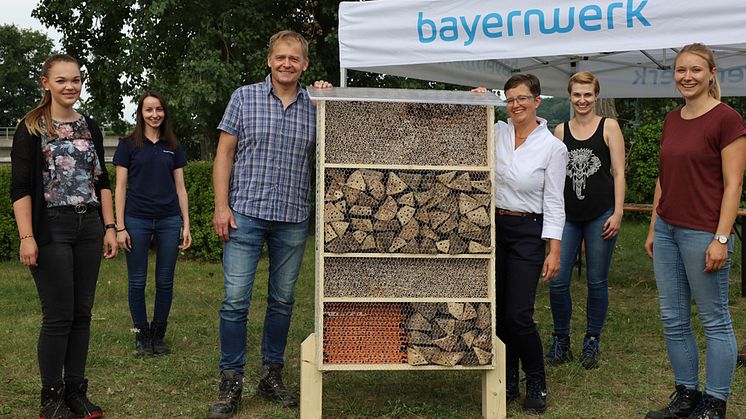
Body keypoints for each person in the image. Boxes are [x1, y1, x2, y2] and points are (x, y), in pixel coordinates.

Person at [207, 30, 331, 419]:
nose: (287, 64)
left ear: (305, 64)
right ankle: (231, 381)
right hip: (244, 213)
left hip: (292, 218)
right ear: (269, 60)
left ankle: (271, 375)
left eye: (294, 58)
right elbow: (223, 155)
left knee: (282, 301)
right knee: (235, 301)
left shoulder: (317, 104)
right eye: (280, 57)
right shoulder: (243, 98)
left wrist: (329, 95)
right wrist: (221, 207)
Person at [11, 54, 118, 419]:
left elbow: (101, 180)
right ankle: (51, 398)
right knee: (58, 316)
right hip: (51, 228)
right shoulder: (31, 127)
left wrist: (109, 227)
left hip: (89, 227)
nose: (69, 86)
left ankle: (75, 391)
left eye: (75, 80)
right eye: (61, 80)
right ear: (46, 83)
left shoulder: (90, 125)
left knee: (82, 314)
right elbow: (20, 187)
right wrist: (27, 236)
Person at [644, 43, 746, 419]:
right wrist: (655, 226)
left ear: (712, 74)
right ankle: (686, 396)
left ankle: (714, 404)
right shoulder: (672, 119)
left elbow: (734, 185)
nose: (687, 77)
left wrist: (721, 238)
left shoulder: (726, 119)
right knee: (672, 317)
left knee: (714, 319)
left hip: (703, 232)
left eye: (696, 70)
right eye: (681, 70)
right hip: (669, 230)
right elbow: (663, 177)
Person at [475, 74, 567, 414]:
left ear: (537, 101)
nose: (515, 105)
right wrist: (478, 99)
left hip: (529, 229)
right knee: (497, 311)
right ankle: (507, 378)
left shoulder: (554, 147)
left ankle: (537, 380)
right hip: (492, 226)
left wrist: (554, 249)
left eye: (522, 98)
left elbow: (556, 201)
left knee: (519, 315)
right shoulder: (496, 131)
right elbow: (466, 121)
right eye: (510, 99)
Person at [545, 71, 626, 369]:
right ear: (570, 96)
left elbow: (618, 172)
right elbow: (553, 179)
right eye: (577, 94)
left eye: (588, 94)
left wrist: (618, 212)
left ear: (596, 96)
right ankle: (561, 339)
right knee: (557, 280)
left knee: (596, 280)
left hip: (601, 214)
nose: (582, 100)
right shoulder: (560, 131)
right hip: (567, 217)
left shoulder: (609, 127)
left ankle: (592, 339)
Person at [113, 91, 191, 357]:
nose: (154, 114)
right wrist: (120, 227)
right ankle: (140, 335)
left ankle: (158, 336)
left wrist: (186, 224)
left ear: (164, 112)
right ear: (141, 113)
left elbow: (181, 188)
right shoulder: (127, 145)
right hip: (136, 220)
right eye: (149, 110)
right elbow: (120, 187)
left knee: (165, 281)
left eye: (159, 109)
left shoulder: (173, 144)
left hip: (169, 220)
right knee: (136, 282)